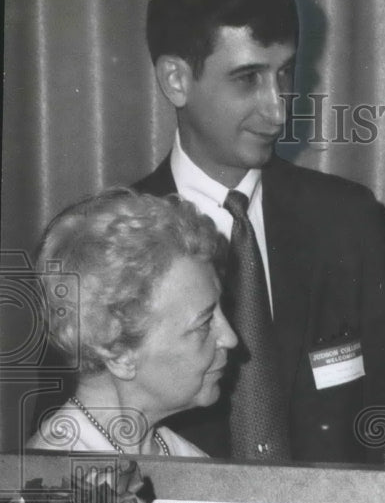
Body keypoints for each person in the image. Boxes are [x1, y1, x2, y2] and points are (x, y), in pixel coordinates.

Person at [135, 0, 385, 463]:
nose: (278, 108)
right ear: (176, 79)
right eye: (248, 78)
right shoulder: (106, 242)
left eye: (285, 74)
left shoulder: (351, 224)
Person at [28, 189, 236, 457]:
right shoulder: (51, 485)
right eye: (204, 323)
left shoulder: (192, 462)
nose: (230, 338)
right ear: (120, 354)